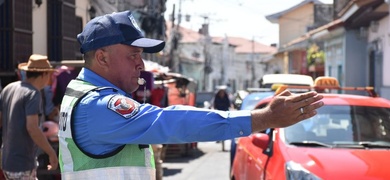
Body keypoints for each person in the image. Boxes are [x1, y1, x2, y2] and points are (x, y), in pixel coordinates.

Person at [58, 10, 323, 179]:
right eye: (134, 55)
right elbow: (172, 122)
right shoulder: (99, 104)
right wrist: (263, 119)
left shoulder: (84, 92)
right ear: (102, 58)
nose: (141, 64)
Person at [0, 54, 59, 179]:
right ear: (43, 75)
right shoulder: (33, 93)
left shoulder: (9, 88)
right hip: (22, 163)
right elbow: (32, 128)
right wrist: (51, 153)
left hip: (7, 160)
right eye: (49, 74)